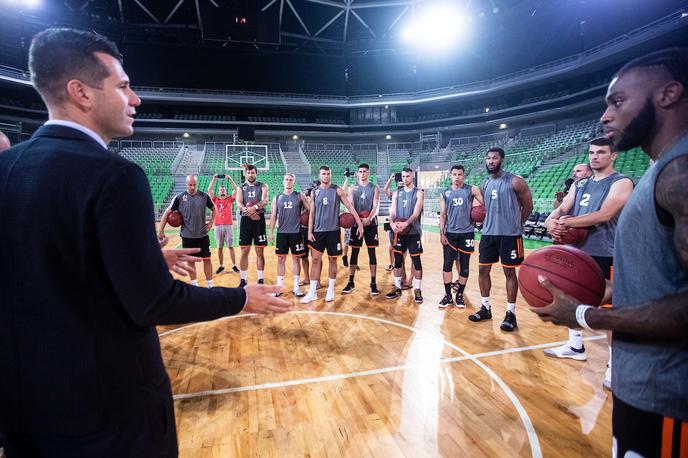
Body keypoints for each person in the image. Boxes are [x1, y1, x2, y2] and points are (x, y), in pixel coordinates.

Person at [0, 27, 291, 457]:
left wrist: (145, 253)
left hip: (21, 414)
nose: (134, 98)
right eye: (123, 86)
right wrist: (240, 298)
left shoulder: (6, 168)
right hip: (106, 416)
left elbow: (47, 260)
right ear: (81, 93)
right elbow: (155, 303)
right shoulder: (115, 176)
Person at [531, 48, 688, 457]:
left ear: (668, 94)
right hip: (643, 389)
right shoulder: (661, 168)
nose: (605, 115)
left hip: (671, 398)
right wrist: (599, 294)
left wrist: (585, 314)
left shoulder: (680, 172)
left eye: (617, 102)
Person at [543, 138, 633, 391]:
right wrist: (552, 222)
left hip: (607, 253)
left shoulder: (621, 182)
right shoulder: (581, 184)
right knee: (572, 299)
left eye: (601, 152)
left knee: (608, 309)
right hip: (576, 253)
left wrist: (566, 223)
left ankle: (615, 367)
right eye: (592, 153)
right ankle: (575, 346)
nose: (595, 157)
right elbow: (560, 210)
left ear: (613, 155)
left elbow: (604, 214)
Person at [469, 147, 533, 331]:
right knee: (482, 270)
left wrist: (518, 223)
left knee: (509, 273)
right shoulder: (485, 183)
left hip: (510, 235)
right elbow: (481, 207)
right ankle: (485, 307)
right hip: (488, 234)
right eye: (488, 158)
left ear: (502, 160)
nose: (490, 161)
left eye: (494, 158)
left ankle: (511, 313)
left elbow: (528, 206)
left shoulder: (515, 182)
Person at [300, 165, 363, 304]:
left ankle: (330, 290)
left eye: (328, 174)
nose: (326, 176)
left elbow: (350, 207)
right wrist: (309, 231)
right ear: (319, 175)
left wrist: (359, 223)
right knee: (315, 260)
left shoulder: (337, 190)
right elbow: (312, 213)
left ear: (331, 175)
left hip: (333, 232)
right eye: (323, 174)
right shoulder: (314, 192)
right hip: (317, 231)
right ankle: (312, 292)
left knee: (332, 260)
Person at [438, 164, 484, 308]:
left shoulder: (471, 190)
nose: (457, 177)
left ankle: (459, 295)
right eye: (454, 175)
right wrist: (441, 233)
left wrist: (479, 210)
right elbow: (443, 215)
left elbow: (486, 205)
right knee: (447, 265)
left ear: (464, 176)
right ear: (450, 176)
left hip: (467, 233)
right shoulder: (445, 193)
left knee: (464, 267)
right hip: (450, 234)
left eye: (460, 175)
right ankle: (447, 296)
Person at [159, 175, 216, 287]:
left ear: (197, 184)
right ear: (186, 184)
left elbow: (215, 210)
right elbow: (166, 214)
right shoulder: (179, 197)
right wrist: (161, 231)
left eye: (194, 184)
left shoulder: (204, 196)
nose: (192, 187)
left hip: (202, 235)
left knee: (207, 260)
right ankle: (194, 284)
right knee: (190, 261)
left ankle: (210, 285)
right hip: (187, 236)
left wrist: (210, 224)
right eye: (190, 185)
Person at [385, 167, 425, 304]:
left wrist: (406, 223)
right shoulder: (397, 193)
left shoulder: (418, 193)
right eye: (403, 176)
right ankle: (397, 287)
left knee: (416, 261)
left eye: (408, 176)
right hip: (399, 232)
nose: (405, 179)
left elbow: (416, 213)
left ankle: (418, 290)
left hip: (413, 232)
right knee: (397, 260)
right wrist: (391, 223)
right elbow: (393, 212)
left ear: (412, 176)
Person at [268, 173, 309, 297]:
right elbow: (274, 216)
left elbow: (310, 209)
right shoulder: (277, 197)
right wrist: (270, 232)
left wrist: (310, 200)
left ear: (294, 182)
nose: (288, 181)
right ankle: (279, 288)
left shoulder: (299, 196)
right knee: (281, 260)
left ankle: (296, 288)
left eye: (291, 180)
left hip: (296, 232)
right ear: (283, 181)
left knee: (296, 259)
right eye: (286, 179)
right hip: (282, 233)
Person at [343, 163, 381, 296]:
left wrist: (369, 218)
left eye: (365, 171)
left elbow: (376, 205)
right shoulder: (353, 188)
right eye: (360, 171)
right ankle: (351, 281)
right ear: (357, 174)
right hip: (356, 223)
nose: (362, 173)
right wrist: (359, 221)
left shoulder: (374, 188)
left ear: (368, 173)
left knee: (372, 253)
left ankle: (373, 283)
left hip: (370, 224)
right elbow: (351, 206)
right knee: (354, 253)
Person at [236, 164, 269, 287]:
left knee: (259, 251)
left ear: (256, 173)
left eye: (253, 172)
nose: (251, 175)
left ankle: (260, 279)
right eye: (248, 173)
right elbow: (239, 203)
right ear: (245, 174)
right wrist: (247, 210)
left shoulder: (263, 186)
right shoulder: (241, 188)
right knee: (244, 250)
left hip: (259, 219)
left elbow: (265, 200)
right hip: (245, 220)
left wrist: (254, 208)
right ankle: (243, 279)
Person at [208, 173, 240, 274]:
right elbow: (209, 190)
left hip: (228, 226)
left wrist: (230, 178)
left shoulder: (230, 199)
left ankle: (234, 266)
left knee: (231, 247)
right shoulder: (215, 200)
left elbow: (236, 189)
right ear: (218, 191)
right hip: (217, 226)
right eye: (221, 190)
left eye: (224, 189)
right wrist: (213, 179)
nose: (222, 190)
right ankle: (221, 266)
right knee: (219, 248)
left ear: (226, 191)